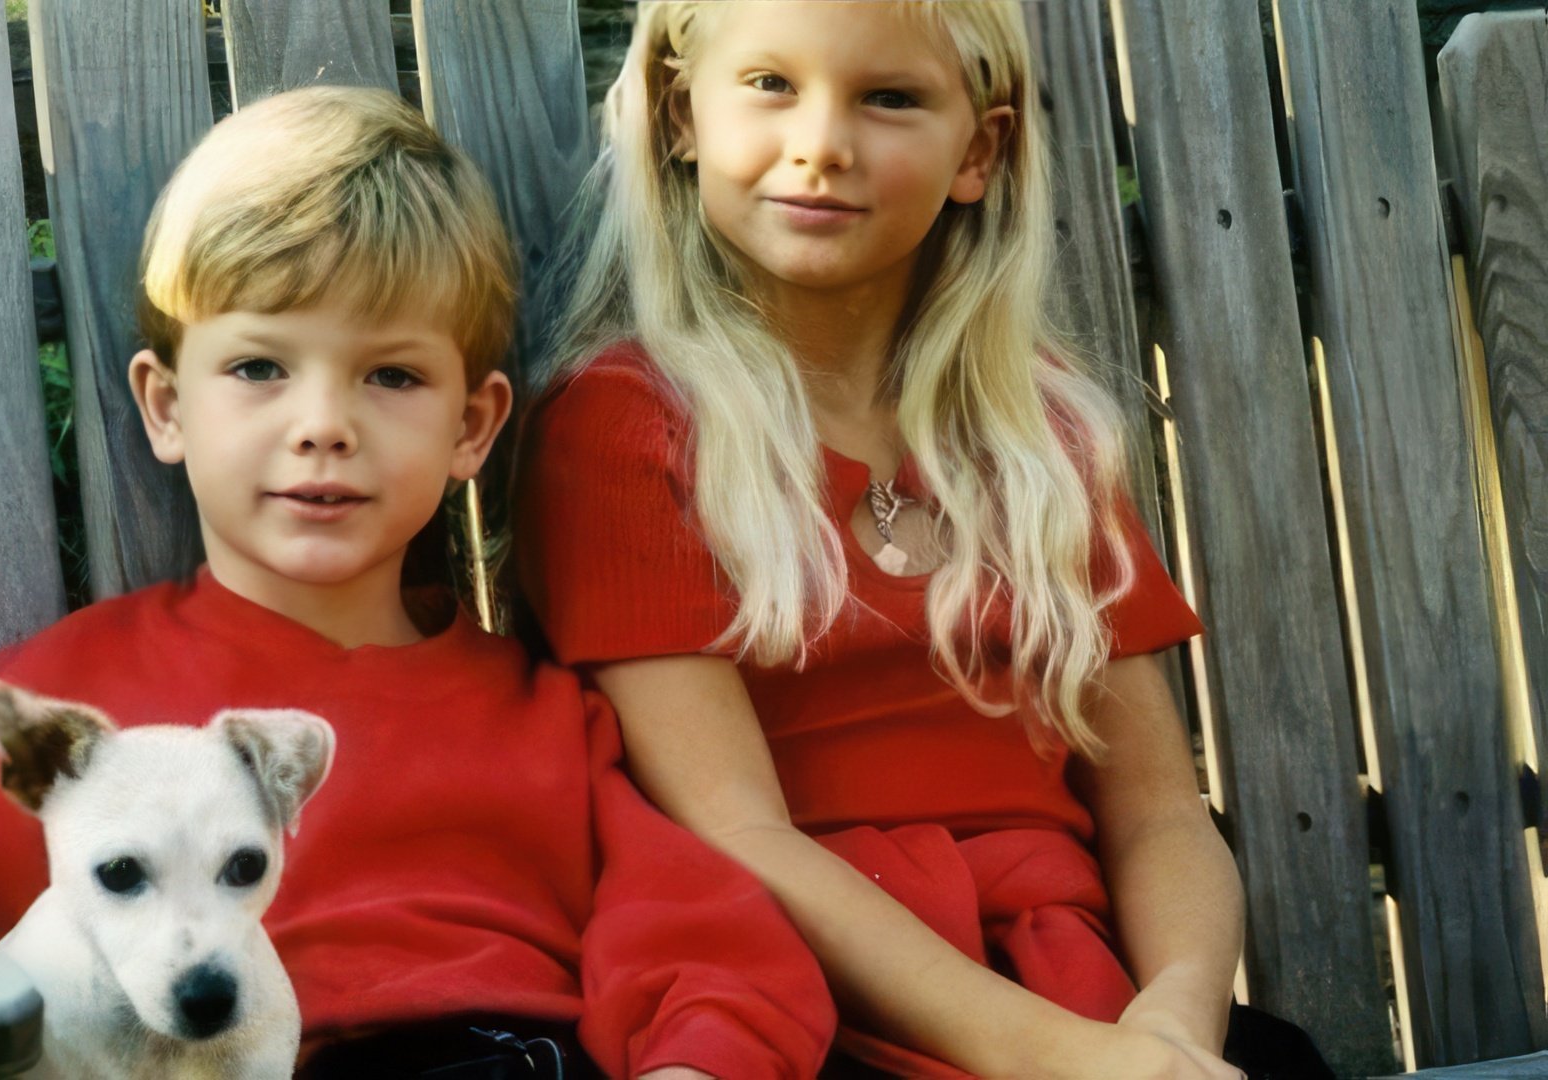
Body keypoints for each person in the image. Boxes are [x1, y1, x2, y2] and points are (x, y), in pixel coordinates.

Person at [0, 85, 834, 1080]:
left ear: (471, 427)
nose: (323, 425)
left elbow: (706, 945)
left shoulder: (541, 723)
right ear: (167, 407)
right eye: (260, 368)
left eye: (390, 377)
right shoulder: (76, 711)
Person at [515, 4, 1327, 1078]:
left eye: (889, 99)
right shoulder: (630, 430)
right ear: (680, 117)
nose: (821, 143)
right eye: (768, 85)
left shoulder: (1041, 439)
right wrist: (1054, 1057)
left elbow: (1158, 813)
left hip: (1078, 987)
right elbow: (737, 836)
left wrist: (1173, 1027)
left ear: (977, 154)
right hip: (807, 1005)